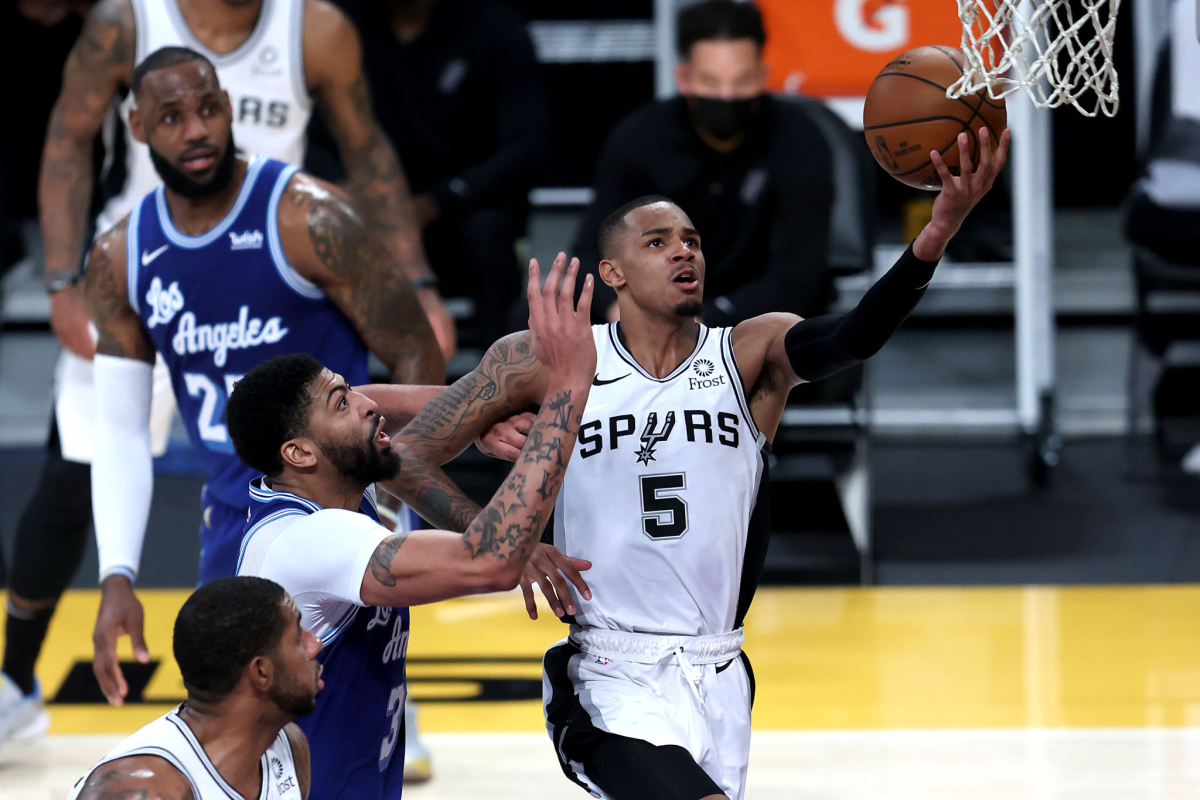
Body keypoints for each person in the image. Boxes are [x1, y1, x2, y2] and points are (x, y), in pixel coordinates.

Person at [388, 128, 1010, 798]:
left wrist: (937, 231)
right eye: (657, 241)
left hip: (719, 670)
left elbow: (855, 334)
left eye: (692, 239)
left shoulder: (748, 353)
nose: (683, 249)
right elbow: (403, 455)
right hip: (608, 672)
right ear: (614, 274)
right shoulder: (548, 360)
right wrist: (499, 539)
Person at [0, 0, 458, 748]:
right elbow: (118, 429)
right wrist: (118, 575)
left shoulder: (308, 214)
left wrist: (390, 483)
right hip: (234, 499)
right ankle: (18, 676)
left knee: (346, 748)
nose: (198, 129)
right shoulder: (122, 256)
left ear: (231, 108)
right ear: (140, 126)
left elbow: (414, 350)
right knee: (237, 745)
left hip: (335, 502)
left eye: (210, 109)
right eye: (174, 117)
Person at [225, 253, 595, 799]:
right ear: (300, 452)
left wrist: (478, 415)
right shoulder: (304, 541)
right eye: (343, 402)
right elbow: (488, 561)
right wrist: (567, 387)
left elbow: (396, 412)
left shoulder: (335, 477)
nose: (370, 405)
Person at [572, 0, 835, 326]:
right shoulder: (640, 139)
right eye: (710, 83)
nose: (726, 96)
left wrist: (705, 322)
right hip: (649, 313)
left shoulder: (799, 140)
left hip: (757, 319)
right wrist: (624, 313)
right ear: (683, 78)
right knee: (535, 320)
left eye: (742, 82)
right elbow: (590, 253)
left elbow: (796, 275)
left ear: (763, 76)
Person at [312, 0, 550, 345]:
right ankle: (328, 386)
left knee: (486, 232)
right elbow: (314, 135)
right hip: (368, 212)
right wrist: (348, 193)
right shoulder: (341, 27)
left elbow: (526, 147)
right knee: (320, 227)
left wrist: (438, 202)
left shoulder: (494, 27)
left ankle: (508, 381)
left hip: (461, 210)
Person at [68, 576, 321, 800]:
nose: (315, 644)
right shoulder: (145, 790)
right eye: (298, 637)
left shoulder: (289, 746)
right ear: (261, 672)